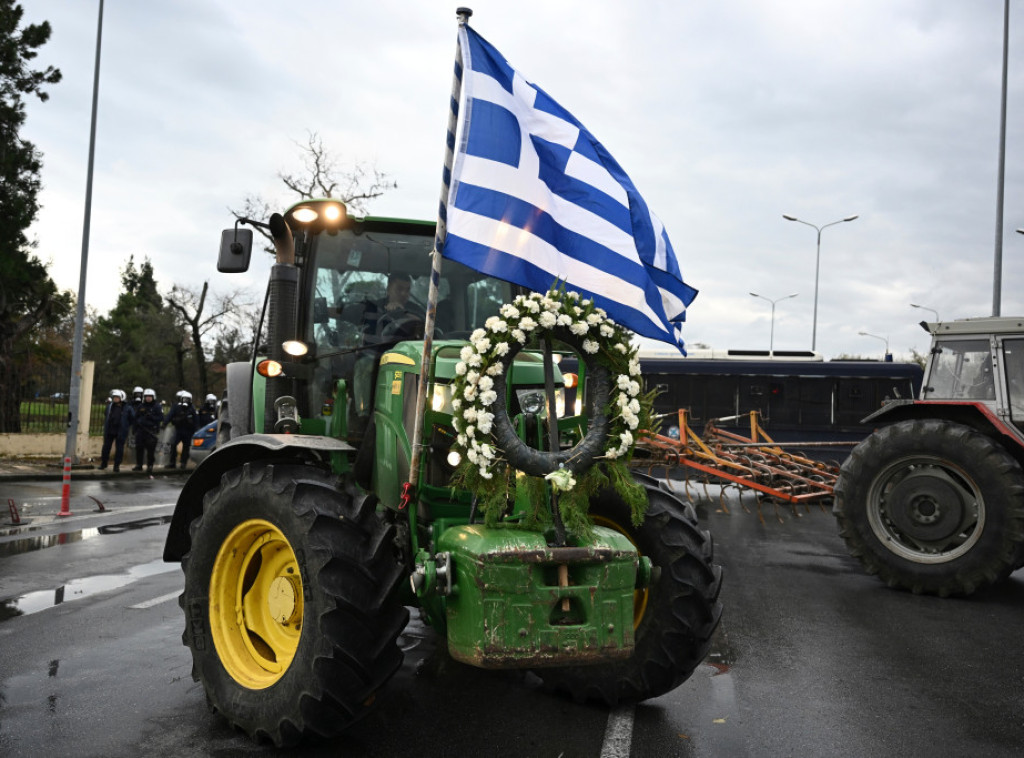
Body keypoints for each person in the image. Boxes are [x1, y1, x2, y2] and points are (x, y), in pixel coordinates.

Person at [99, 389, 132, 472]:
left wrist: (126, 426)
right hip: (110, 430)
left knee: (119, 449)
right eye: (114, 397)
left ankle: (116, 466)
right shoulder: (110, 406)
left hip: (120, 431)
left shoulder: (127, 408)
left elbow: (132, 418)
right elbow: (106, 414)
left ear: (122, 398)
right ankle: (104, 463)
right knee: (106, 447)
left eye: (117, 397)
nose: (115, 399)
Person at [164, 391, 198, 469]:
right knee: (173, 444)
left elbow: (196, 420)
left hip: (188, 431)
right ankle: (172, 462)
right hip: (178, 430)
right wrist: (165, 423)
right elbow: (170, 415)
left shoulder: (192, 408)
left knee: (186, 447)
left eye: (187, 399)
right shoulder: (176, 407)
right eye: (184, 399)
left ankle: (183, 462)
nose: (186, 401)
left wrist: (194, 428)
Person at [132, 388, 162, 473]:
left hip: (151, 431)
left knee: (150, 451)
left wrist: (151, 417)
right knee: (139, 448)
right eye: (146, 397)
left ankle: (150, 466)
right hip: (141, 431)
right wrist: (134, 429)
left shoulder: (157, 406)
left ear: (153, 397)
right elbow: (136, 418)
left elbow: (161, 418)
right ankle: (139, 465)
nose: (148, 398)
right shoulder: (141, 406)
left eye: (150, 397)